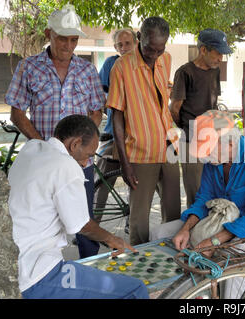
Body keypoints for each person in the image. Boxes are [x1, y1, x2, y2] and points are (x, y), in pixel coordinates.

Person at [8, 115, 149, 299]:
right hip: (37, 275)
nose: (85, 163)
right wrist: (113, 239)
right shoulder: (66, 166)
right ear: (75, 144)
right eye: (89, 155)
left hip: (15, 260)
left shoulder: (32, 148)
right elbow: (81, 226)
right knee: (135, 289)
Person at [5, 4, 105, 259]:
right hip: (43, 162)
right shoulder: (29, 67)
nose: (69, 45)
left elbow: (96, 111)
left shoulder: (87, 70)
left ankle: (89, 267)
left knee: (84, 220)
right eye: (63, 38)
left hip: (80, 162)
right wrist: (47, 148)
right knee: (44, 218)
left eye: (74, 39)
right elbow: (17, 113)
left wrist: (82, 143)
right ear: (49, 34)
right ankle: (47, 270)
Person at [150, 110, 245, 258]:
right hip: (218, 219)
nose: (203, 157)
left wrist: (214, 241)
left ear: (230, 144)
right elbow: (204, 199)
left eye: (207, 150)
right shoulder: (214, 160)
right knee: (158, 233)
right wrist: (185, 229)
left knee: (228, 256)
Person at [107, 17, 181, 245]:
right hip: (139, 154)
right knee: (139, 218)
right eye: (150, 48)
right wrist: (124, 162)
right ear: (139, 38)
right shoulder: (121, 67)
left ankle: (171, 258)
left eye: (160, 49)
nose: (154, 54)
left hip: (169, 148)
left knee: (174, 212)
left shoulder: (165, 59)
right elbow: (117, 114)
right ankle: (139, 265)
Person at [169, 28, 232, 208]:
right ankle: (192, 232)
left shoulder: (215, 71)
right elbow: (175, 108)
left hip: (212, 139)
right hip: (191, 141)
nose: (220, 58)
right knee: (195, 192)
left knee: (214, 187)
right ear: (203, 50)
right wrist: (188, 129)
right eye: (218, 53)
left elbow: (213, 104)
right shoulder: (184, 72)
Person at [95, 28, 137, 232]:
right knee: (103, 182)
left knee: (135, 182)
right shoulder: (111, 64)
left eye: (127, 43)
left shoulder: (143, 64)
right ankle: (93, 226)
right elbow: (101, 93)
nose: (124, 48)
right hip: (112, 132)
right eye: (120, 45)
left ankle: (132, 222)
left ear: (136, 43)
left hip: (137, 136)